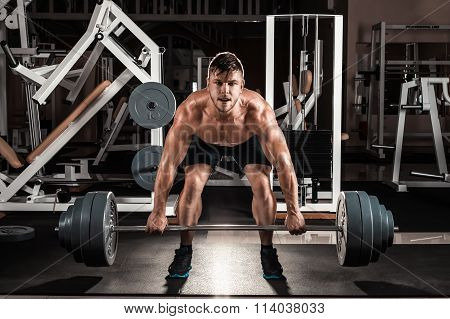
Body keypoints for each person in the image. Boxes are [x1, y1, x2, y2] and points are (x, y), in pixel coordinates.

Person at [146, 52, 306, 280]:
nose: (224, 91)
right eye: (218, 83)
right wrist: (158, 211)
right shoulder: (191, 110)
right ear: (207, 84)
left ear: (242, 86)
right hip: (205, 138)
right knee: (192, 184)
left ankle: (267, 251)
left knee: (261, 182)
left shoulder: (258, 111)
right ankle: (184, 250)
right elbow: (168, 163)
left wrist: (294, 211)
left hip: (247, 138)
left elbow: (284, 163)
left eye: (232, 83)